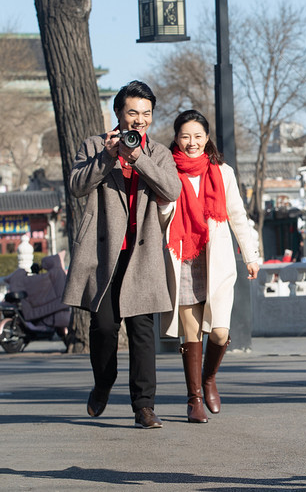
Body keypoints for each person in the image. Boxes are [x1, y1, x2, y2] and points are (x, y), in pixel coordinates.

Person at [62, 80, 181, 429]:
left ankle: (144, 406)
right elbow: (76, 185)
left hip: (141, 253)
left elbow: (171, 189)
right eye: (132, 113)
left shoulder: (157, 152)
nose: (139, 120)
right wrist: (110, 156)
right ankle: (103, 382)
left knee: (143, 330)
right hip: (103, 253)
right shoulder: (96, 145)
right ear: (118, 114)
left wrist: (138, 158)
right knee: (103, 327)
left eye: (146, 114)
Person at [159, 110, 261, 423]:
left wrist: (251, 254)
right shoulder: (166, 170)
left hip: (215, 259)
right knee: (190, 333)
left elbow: (237, 215)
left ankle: (209, 378)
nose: (192, 143)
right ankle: (194, 399)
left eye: (198, 136)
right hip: (182, 257)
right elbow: (161, 217)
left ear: (207, 138)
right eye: (185, 136)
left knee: (218, 332)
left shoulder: (222, 172)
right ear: (176, 137)